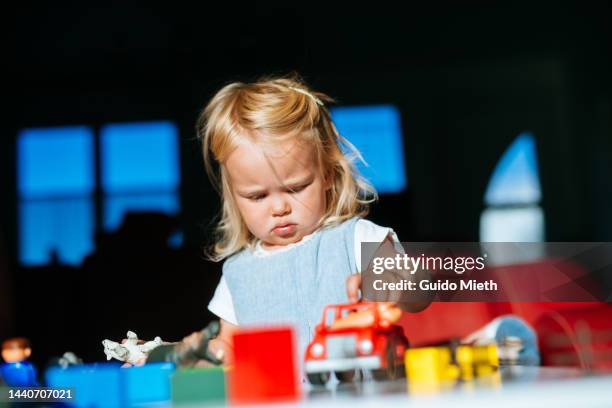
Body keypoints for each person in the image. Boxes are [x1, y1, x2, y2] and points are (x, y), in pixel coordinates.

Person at [196, 74, 429, 363]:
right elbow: (228, 349)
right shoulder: (237, 274)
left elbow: (419, 291)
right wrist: (197, 355)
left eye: (295, 188)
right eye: (257, 197)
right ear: (233, 196)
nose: (279, 207)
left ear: (328, 174)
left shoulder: (355, 238)